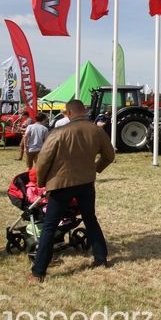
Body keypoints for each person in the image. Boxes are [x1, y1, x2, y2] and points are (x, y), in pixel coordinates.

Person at [29, 100, 115, 282]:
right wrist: (96, 168)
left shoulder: (58, 133)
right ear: (84, 111)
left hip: (61, 184)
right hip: (86, 183)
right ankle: (101, 259)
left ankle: (38, 272)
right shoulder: (97, 131)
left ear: (67, 113)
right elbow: (109, 155)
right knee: (90, 220)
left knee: (50, 226)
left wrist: (41, 181)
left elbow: (43, 160)